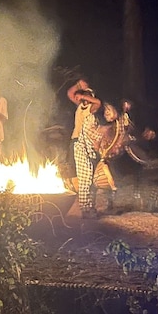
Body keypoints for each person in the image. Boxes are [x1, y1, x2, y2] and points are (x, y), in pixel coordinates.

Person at [66, 79, 102, 218]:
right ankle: (85, 208)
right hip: (79, 142)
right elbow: (70, 93)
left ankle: (90, 206)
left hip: (91, 145)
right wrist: (78, 85)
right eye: (84, 95)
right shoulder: (80, 106)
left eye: (88, 95)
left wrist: (84, 95)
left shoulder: (91, 108)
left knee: (92, 178)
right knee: (84, 177)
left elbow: (98, 102)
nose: (84, 98)